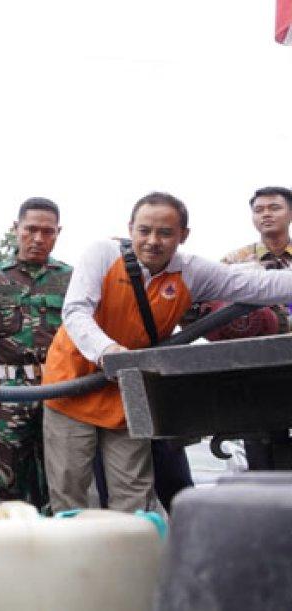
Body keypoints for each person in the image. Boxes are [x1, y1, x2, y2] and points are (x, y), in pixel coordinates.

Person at [43, 191, 292, 513]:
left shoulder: (191, 271)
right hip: (72, 386)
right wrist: (108, 351)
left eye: (165, 233)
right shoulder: (102, 253)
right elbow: (76, 310)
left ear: (183, 236)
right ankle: (73, 559)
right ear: (130, 227)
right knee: (71, 491)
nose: (152, 241)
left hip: (125, 391)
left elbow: (259, 286)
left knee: (133, 492)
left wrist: (123, 364)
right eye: (144, 230)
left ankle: (132, 558)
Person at [0, 197, 71, 512]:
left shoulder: (71, 278)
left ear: (57, 233)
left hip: (58, 394)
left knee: (60, 483)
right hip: (7, 395)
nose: (38, 239)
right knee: (5, 484)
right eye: (30, 229)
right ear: (16, 229)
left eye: (47, 231)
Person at [216, 186, 292, 471]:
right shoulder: (235, 262)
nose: (266, 215)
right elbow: (208, 309)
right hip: (253, 367)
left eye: (274, 208)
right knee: (258, 443)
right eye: (259, 210)